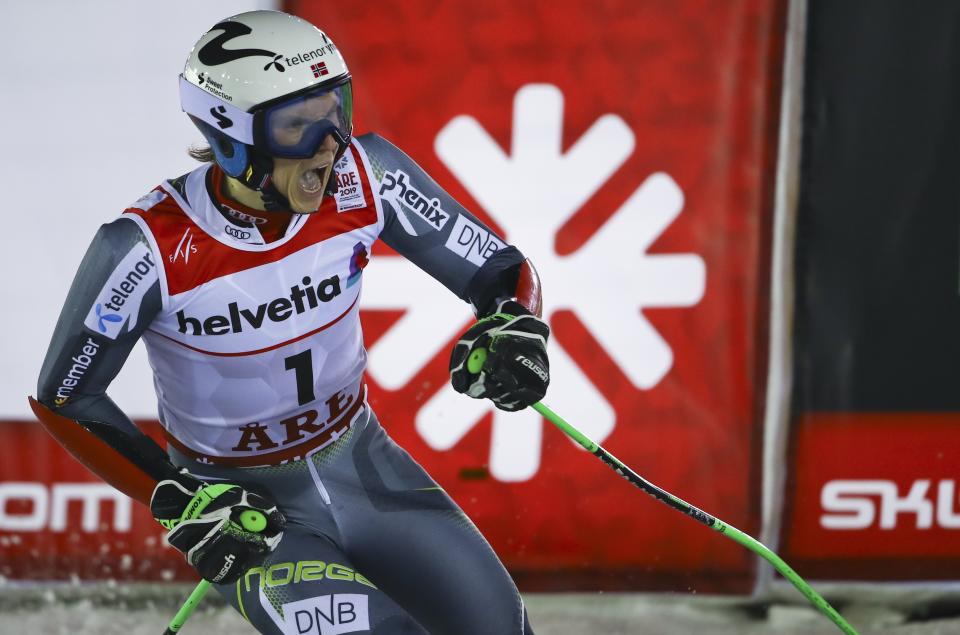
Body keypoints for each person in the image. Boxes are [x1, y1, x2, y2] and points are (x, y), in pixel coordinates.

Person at [32, 10, 549, 635]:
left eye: (334, 111)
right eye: (296, 126)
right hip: (247, 511)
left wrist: (513, 323)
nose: (328, 144)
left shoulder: (368, 174)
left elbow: (498, 271)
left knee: (501, 627)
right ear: (230, 137)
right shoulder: (146, 249)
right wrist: (179, 499)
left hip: (361, 462)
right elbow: (66, 397)